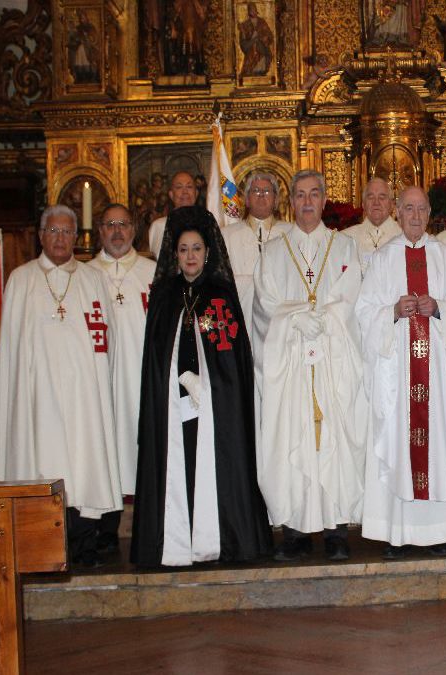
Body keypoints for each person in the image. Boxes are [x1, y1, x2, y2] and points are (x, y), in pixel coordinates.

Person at [131, 206, 273, 567]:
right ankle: (175, 543)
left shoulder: (221, 295)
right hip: (172, 405)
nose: (190, 256)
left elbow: (230, 359)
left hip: (214, 407)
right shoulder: (164, 298)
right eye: (183, 250)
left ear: (208, 252)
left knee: (214, 463)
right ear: (174, 255)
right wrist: (177, 378)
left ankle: (219, 539)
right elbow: (156, 358)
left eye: (196, 249)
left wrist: (208, 385)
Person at [0, 205, 121, 568]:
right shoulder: (22, 279)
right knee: (41, 462)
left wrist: (99, 385)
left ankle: (84, 544)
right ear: (41, 236)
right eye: (53, 232)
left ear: (77, 237)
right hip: (37, 399)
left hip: (83, 398)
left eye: (67, 232)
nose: (60, 239)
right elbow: (11, 348)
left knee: (84, 463)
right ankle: (41, 544)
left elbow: (107, 338)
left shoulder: (92, 279)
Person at [253, 170, 367, 562]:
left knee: (334, 441)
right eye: (300, 195)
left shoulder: (345, 247)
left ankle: (336, 531)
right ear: (292, 201)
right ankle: (296, 532)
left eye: (314, 194)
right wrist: (294, 320)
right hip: (292, 367)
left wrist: (325, 320)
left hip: (333, 361)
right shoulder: (272, 251)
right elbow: (265, 306)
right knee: (293, 440)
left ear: (323, 200)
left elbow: (352, 298)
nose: (306, 202)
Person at [356, 186, 446, 558]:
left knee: (435, 442)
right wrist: (391, 311)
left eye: (422, 209)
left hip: (435, 375)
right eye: (408, 208)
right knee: (396, 443)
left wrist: (439, 307)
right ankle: (396, 532)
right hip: (397, 374)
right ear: (397, 211)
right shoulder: (381, 259)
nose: (415, 215)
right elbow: (362, 313)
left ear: (429, 213)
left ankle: (438, 531)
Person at [87, 203, 157, 556]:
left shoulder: (152, 273)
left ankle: (148, 525)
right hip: (99, 382)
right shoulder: (83, 275)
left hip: (142, 380)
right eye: (110, 224)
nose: (117, 231)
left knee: (141, 446)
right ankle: (106, 526)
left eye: (124, 224)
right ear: (99, 230)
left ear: (134, 231)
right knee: (104, 449)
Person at [342, 177, 401, 274]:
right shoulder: (345, 238)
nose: (376, 203)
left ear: (392, 204)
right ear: (363, 204)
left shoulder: (406, 237)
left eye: (382, 197)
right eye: (370, 197)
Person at [148, 171, 200, 256]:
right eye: (179, 187)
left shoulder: (207, 223)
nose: (185, 192)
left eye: (189, 187)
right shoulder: (158, 226)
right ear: (171, 195)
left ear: (196, 193)